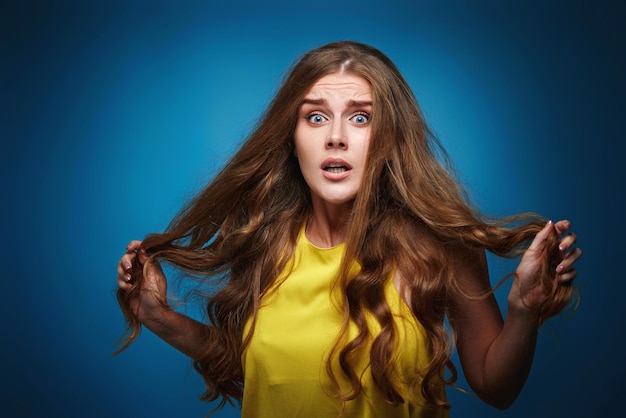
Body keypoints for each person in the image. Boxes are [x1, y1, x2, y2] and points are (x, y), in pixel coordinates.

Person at [115, 41, 581, 418]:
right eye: (315, 116)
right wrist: (158, 317)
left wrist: (522, 312)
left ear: (390, 137)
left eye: (361, 117)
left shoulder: (441, 249)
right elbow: (265, 369)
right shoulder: (264, 244)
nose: (335, 135)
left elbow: (496, 390)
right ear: (292, 138)